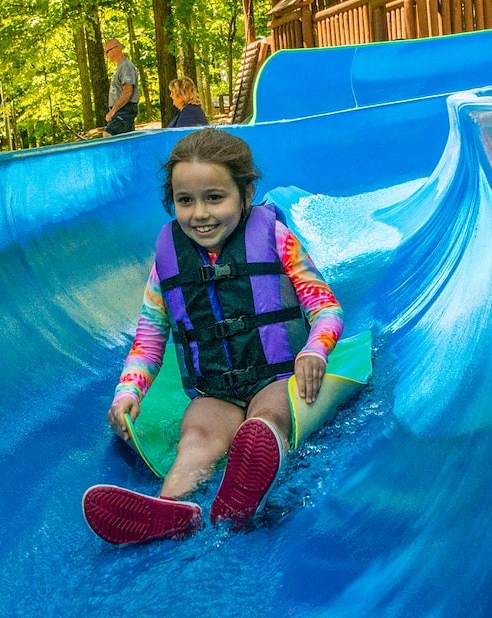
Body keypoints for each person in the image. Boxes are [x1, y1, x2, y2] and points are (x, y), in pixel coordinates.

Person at [84, 128, 343, 545]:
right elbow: (149, 337)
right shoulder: (168, 259)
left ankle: (249, 483)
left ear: (246, 193)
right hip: (215, 391)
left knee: (267, 419)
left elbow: (324, 306)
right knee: (196, 438)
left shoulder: (276, 238)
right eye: (185, 201)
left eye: (215, 197)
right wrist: (127, 393)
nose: (200, 214)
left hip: (275, 376)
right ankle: (171, 507)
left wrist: (315, 350)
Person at [103, 38, 139, 136]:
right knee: (127, 139)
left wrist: (113, 111)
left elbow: (127, 91)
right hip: (120, 110)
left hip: (125, 109)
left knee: (108, 134)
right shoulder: (119, 67)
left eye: (107, 51)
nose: (106, 55)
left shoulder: (126, 66)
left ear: (116, 49)